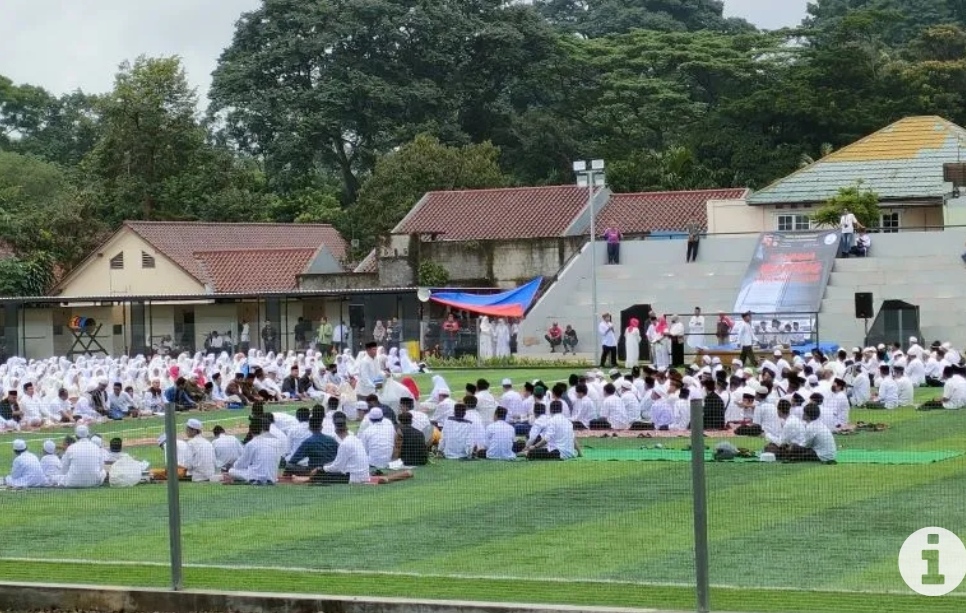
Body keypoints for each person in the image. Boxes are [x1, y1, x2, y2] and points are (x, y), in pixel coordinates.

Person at [317, 413, 372, 484]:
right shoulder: (355, 439)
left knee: (319, 475)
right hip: (363, 476)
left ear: (336, 430)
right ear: (347, 428)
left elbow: (336, 467)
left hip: (354, 477)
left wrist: (321, 468)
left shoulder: (345, 444)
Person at [225, 416, 279, 485]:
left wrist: (233, 465)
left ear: (250, 431)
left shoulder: (251, 443)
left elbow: (240, 465)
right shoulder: (274, 441)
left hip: (256, 476)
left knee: (231, 471)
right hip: (273, 477)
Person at [184, 418, 218, 482]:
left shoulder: (191, 443)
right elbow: (215, 462)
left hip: (198, 477)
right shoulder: (208, 442)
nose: (186, 431)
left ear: (193, 431)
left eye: (187, 429)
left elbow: (188, 465)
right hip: (211, 475)